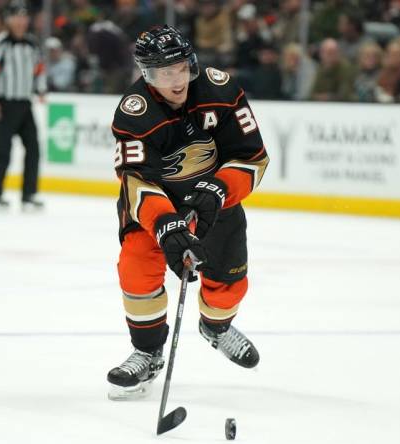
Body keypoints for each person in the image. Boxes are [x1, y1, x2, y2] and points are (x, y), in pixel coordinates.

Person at [106, 25, 269, 400]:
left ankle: (216, 326)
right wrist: (166, 225)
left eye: (180, 68)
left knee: (228, 282)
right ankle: (148, 351)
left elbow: (253, 158)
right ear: (147, 75)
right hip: (155, 207)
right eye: (163, 74)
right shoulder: (135, 112)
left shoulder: (222, 91)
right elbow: (134, 181)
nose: (175, 81)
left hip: (218, 203)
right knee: (136, 266)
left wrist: (217, 191)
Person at [0, 3, 46, 211]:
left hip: (25, 104)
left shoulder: (32, 44)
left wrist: (41, 90)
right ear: (8, 20)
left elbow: (39, 69)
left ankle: (28, 195)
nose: (20, 22)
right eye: (16, 17)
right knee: (2, 151)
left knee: (34, 150)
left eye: (23, 17)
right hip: (4, 104)